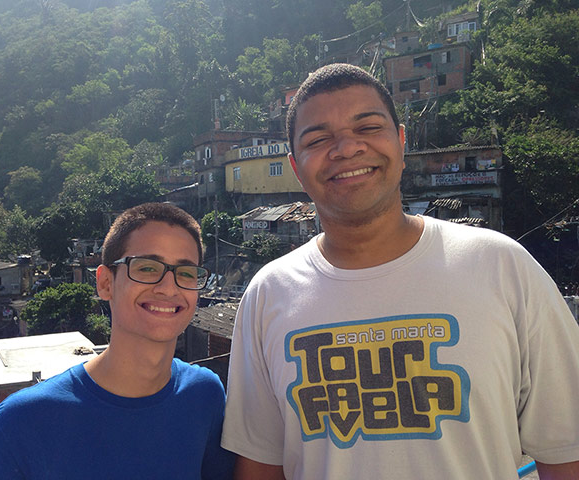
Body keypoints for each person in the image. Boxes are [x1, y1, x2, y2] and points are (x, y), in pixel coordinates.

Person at [221, 63, 579, 479]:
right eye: (319, 139)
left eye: (368, 128)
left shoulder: (502, 266)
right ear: (296, 167)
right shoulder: (269, 294)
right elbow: (260, 467)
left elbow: (566, 451)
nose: (346, 149)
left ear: (402, 141)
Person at [0, 202, 235, 479]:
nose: (168, 288)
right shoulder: (24, 421)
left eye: (186, 273)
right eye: (146, 268)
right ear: (105, 283)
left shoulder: (204, 396)